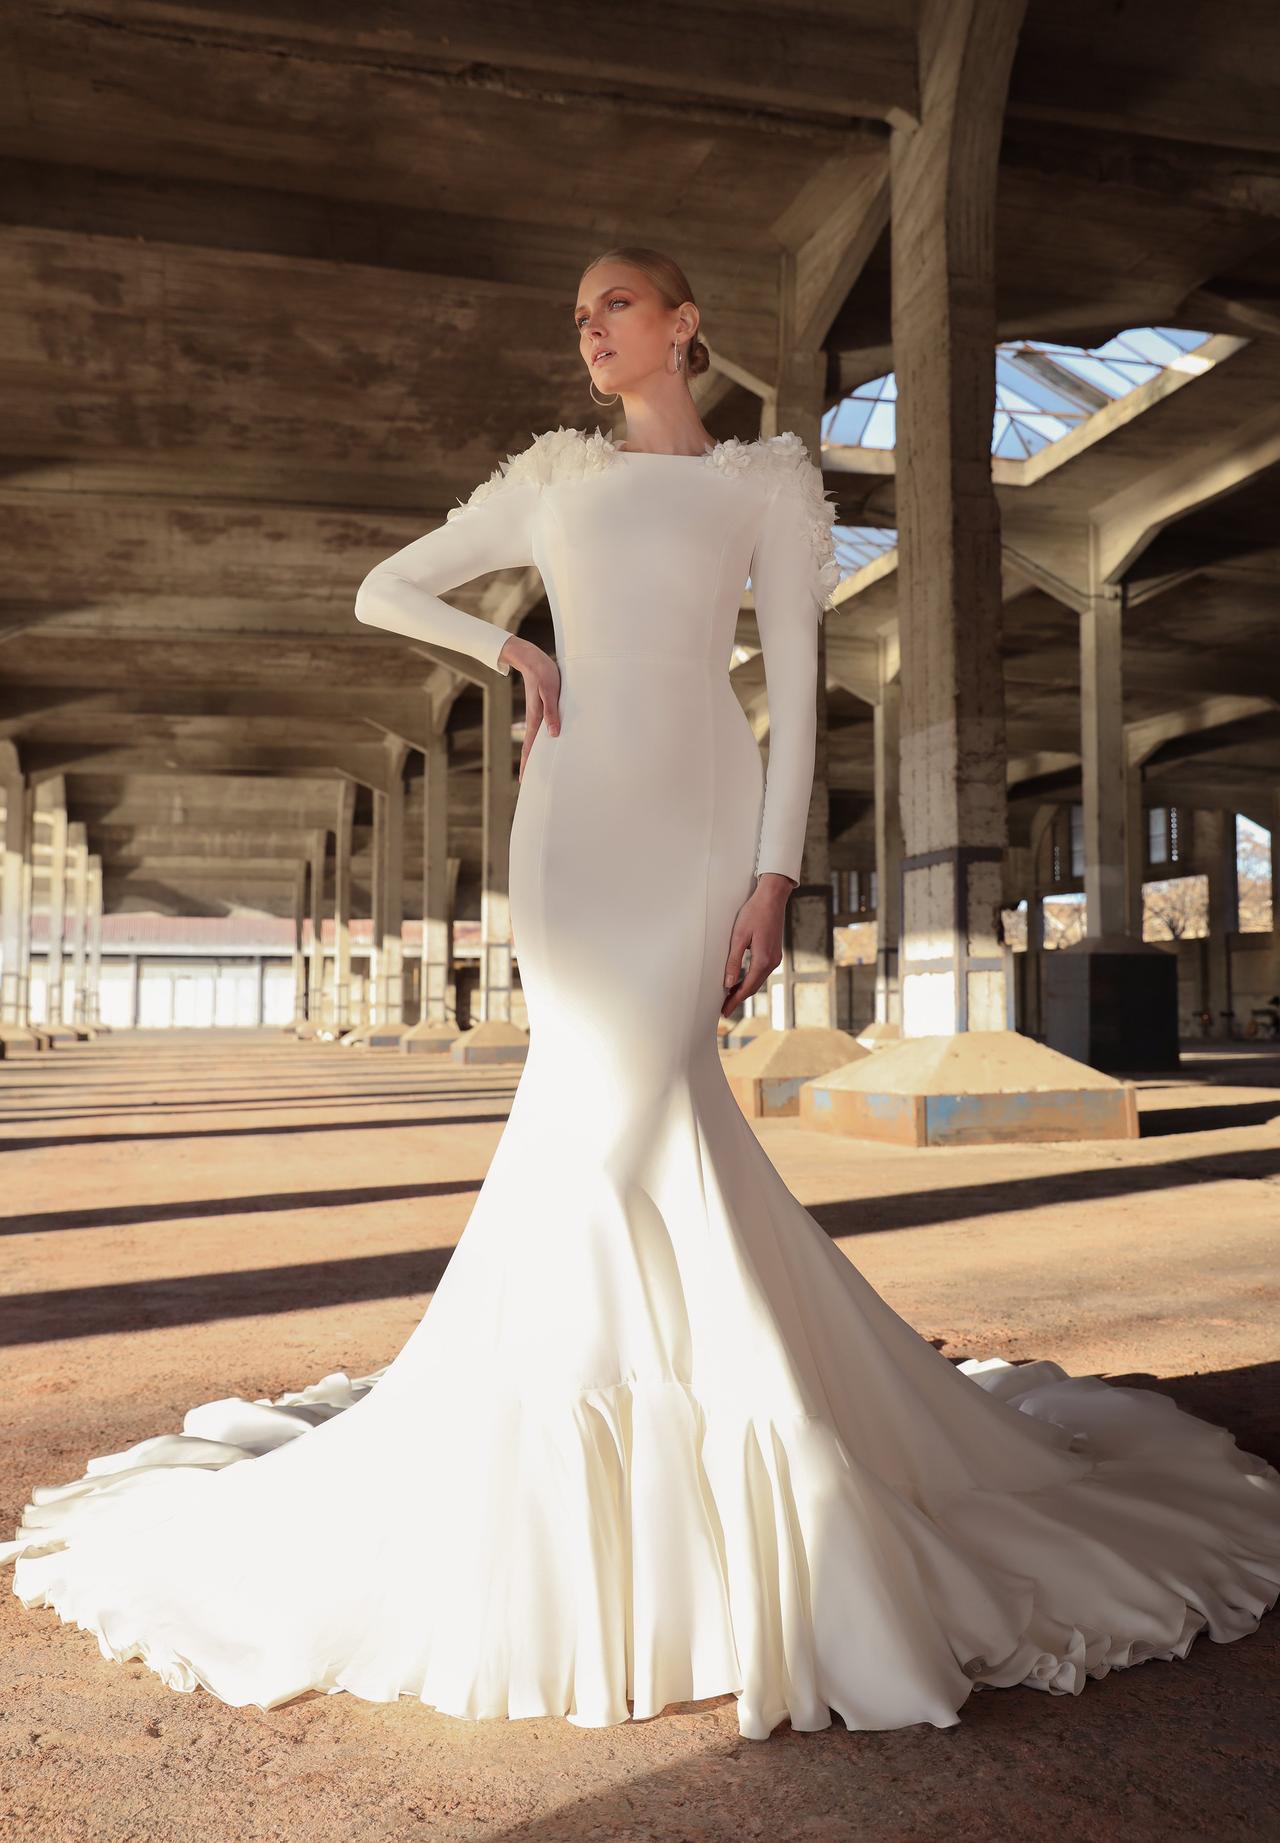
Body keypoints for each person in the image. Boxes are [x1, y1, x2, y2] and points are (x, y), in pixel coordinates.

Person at [4, 249, 1278, 1743]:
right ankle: (579, 1488)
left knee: (653, 1113)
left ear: (686, 324)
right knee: (598, 1118)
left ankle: (694, 1488)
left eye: (618, 306)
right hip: (572, 835)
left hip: (698, 828)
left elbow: (796, 689)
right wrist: (511, 646)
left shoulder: (765, 485)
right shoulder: (551, 478)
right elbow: (382, 586)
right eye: (580, 316)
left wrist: (772, 874)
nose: (592, 330)